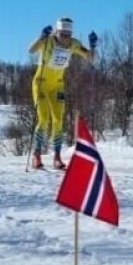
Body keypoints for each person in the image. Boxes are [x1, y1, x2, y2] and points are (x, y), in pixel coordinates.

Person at [28, 17, 97, 169]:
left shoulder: (74, 44)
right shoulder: (49, 41)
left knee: (58, 120)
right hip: (41, 83)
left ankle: (57, 157)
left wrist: (93, 46)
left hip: (57, 86)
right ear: (57, 32)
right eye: (62, 34)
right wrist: (41, 37)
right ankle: (37, 154)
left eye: (67, 34)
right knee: (43, 118)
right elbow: (31, 50)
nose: (65, 37)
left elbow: (91, 59)